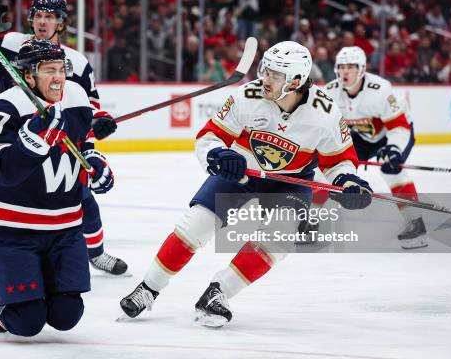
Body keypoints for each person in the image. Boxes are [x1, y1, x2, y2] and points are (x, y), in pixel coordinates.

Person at [119, 41, 372, 327]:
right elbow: (208, 137)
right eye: (266, 70)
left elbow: (339, 161)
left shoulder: (324, 113)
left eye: (276, 75)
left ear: (297, 81)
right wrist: (219, 154)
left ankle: (218, 293)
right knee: (195, 224)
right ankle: (149, 288)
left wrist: (348, 183)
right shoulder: (247, 96)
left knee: (279, 239)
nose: (265, 78)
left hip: (291, 181)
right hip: (241, 172)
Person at [0, 0, 127, 275]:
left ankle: (95, 252)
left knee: (82, 196)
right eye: (37, 15)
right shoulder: (9, 44)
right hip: (19, 136)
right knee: (17, 198)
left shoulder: (77, 62)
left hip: (62, 140)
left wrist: (101, 123)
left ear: (61, 23)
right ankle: (9, 267)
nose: (42, 21)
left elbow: (90, 109)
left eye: (49, 16)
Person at [0, 39, 115, 336]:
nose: (58, 78)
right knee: (25, 322)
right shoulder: (9, 105)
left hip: (64, 228)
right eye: (49, 71)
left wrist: (98, 166)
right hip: (14, 228)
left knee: (68, 315)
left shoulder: (77, 96)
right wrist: (33, 139)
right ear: (29, 76)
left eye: (61, 70)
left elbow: (86, 146)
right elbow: (0, 170)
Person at [317, 46, 427, 249]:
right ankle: (311, 221)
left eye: (351, 66)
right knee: (329, 170)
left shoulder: (380, 90)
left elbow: (399, 126)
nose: (345, 72)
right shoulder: (330, 92)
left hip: (393, 134)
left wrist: (393, 149)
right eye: (341, 67)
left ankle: (416, 223)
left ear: (362, 69)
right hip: (361, 136)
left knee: (392, 172)